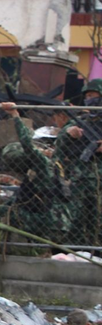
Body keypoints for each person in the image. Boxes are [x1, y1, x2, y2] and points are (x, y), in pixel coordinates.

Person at [0, 101, 70, 243]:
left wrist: (15, 116)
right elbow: (20, 198)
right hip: (58, 223)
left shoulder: (43, 164)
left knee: (7, 212)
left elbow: (27, 143)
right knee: (7, 208)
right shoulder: (51, 166)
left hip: (49, 224)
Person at [53, 80, 102, 246]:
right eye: (87, 96)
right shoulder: (82, 121)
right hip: (80, 179)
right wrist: (68, 133)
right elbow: (59, 145)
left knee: (98, 219)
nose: (89, 99)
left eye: (93, 95)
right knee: (77, 218)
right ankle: (76, 249)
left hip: (99, 180)